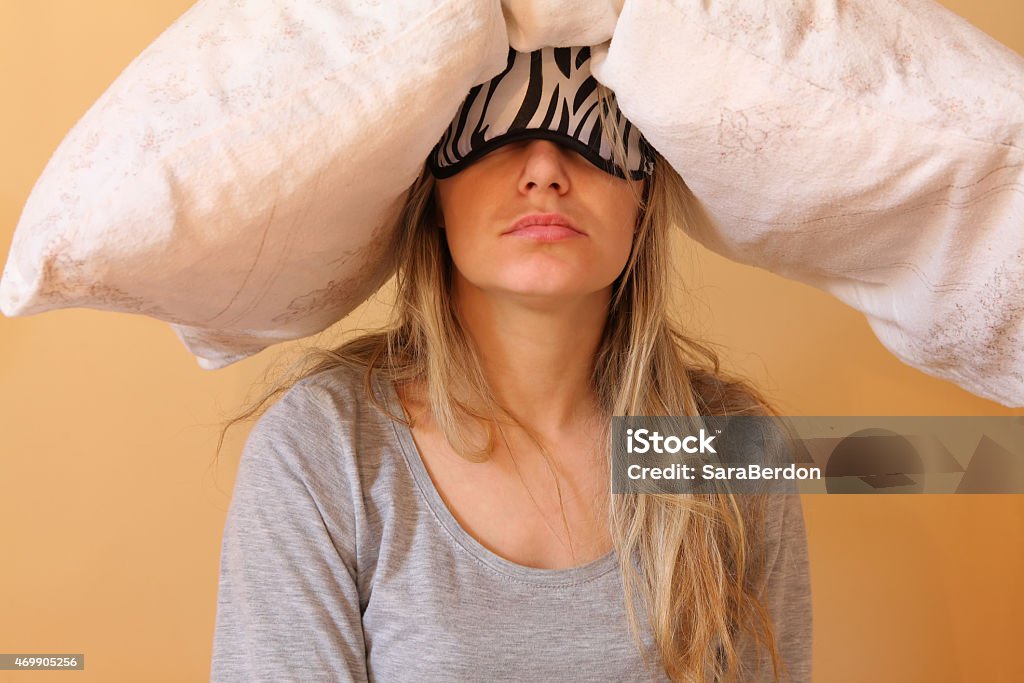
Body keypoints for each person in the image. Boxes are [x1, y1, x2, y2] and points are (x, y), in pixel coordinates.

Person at [210, 46, 812, 682]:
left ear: (644, 193)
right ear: (432, 191)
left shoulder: (726, 447)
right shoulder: (328, 448)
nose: (546, 170)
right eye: (494, 128)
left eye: (595, 129)